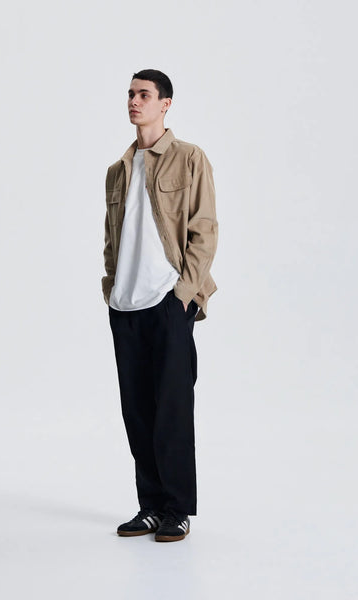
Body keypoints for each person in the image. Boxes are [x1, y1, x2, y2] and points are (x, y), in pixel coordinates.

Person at [102, 69, 218, 542]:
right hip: (125, 305)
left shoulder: (189, 158)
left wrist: (183, 295)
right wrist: (111, 288)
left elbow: (204, 230)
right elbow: (112, 240)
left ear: (165, 104)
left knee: (172, 410)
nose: (134, 101)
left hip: (168, 302)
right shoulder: (117, 170)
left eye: (144, 94)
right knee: (137, 412)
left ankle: (177, 509)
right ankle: (150, 506)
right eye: (130, 94)